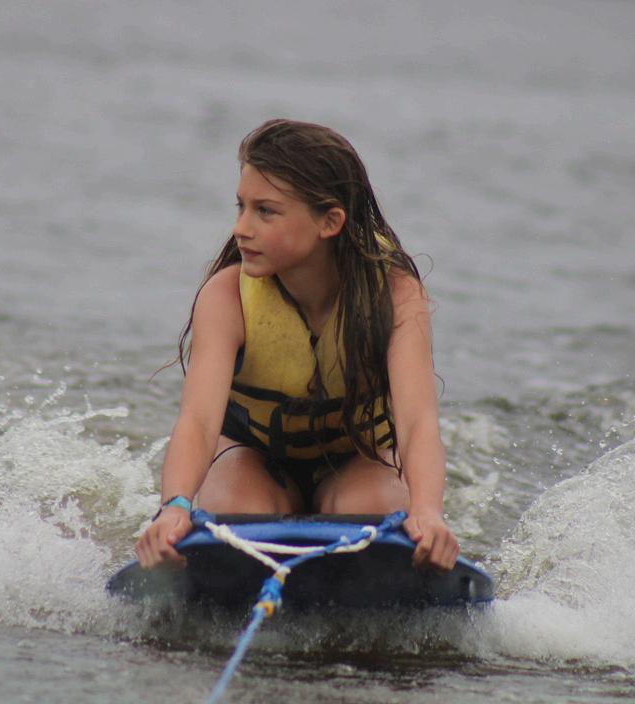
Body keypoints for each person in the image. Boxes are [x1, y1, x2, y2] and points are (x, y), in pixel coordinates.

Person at [135, 119, 459, 572]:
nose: (241, 228)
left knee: (376, 512)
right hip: (254, 459)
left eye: (265, 211)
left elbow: (417, 422)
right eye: (241, 207)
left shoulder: (396, 295)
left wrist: (426, 512)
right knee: (236, 511)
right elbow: (199, 421)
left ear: (330, 221)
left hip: (357, 459)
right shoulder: (226, 296)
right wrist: (175, 507)